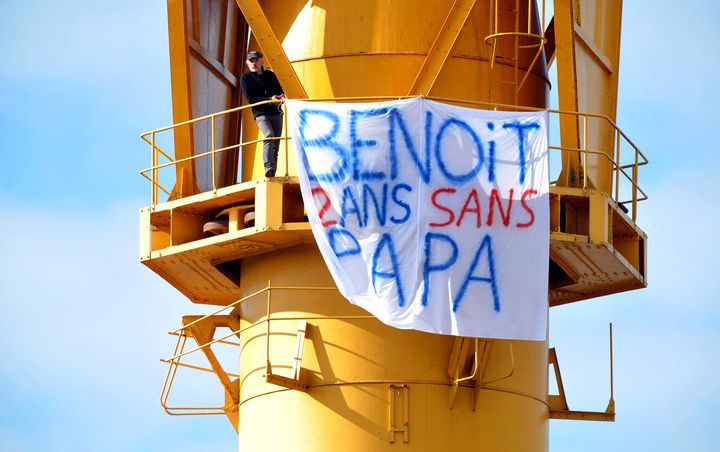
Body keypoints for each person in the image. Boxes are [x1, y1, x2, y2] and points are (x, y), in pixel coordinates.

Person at [240, 50, 285, 177]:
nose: (254, 63)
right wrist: (270, 99)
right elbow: (250, 99)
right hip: (261, 113)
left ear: (261, 61)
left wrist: (280, 96)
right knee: (269, 135)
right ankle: (267, 167)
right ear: (247, 63)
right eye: (251, 61)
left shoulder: (270, 75)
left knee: (275, 144)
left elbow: (279, 90)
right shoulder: (246, 78)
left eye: (256, 60)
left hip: (276, 112)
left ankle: (272, 173)